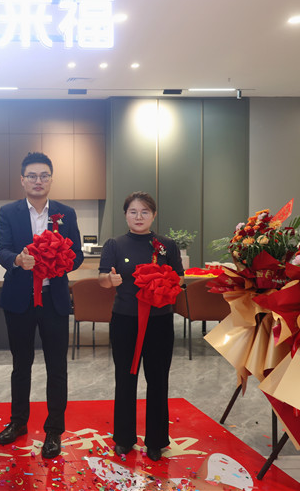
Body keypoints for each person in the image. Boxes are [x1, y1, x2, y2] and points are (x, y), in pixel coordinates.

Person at [0, 152, 83, 459]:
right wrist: (18, 260)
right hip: (19, 299)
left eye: (44, 175)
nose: (38, 181)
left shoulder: (65, 213)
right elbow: (2, 250)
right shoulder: (9, 212)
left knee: (57, 367)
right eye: (32, 176)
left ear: (51, 179)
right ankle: (18, 422)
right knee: (21, 365)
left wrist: (60, 261)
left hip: (53, 299)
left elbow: (77, 254)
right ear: (22, 180)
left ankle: (54, 430)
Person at [98, 191, 183, 462]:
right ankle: (124, 438)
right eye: (133, 212)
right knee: (125, 378)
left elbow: (180, 278)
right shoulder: (115, 244)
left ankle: (156, 440)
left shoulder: (167, 245)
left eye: (145, 212)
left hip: (159, 322)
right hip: (125, 320)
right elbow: (102, 278)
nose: (139, 217)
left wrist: (166, 283)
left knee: (158, 379)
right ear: (125, 215)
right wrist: (109, 280)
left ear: (153, 215)